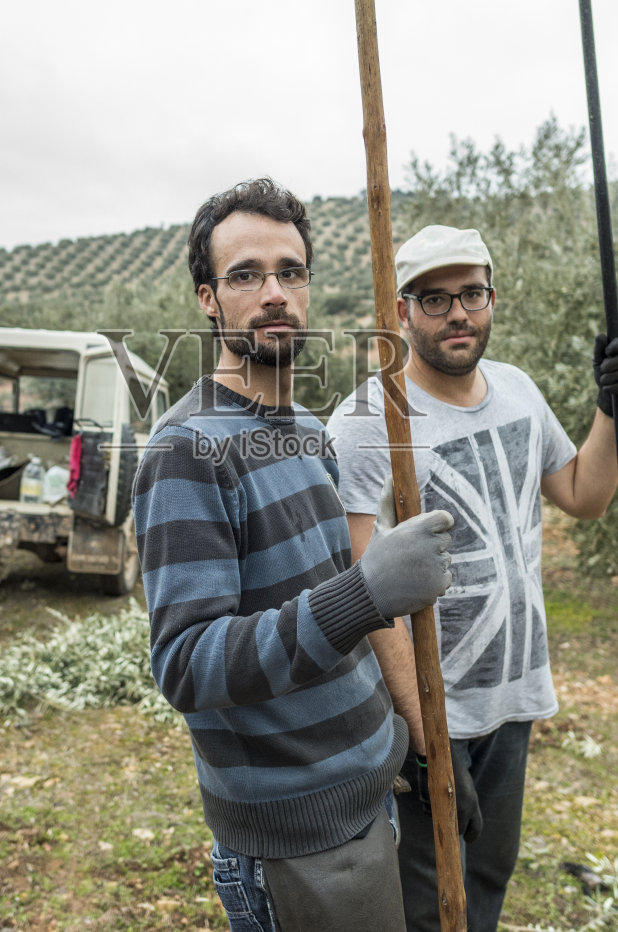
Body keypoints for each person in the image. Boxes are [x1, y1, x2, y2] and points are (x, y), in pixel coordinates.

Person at [133, 178, 460, 931]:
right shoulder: (188, 453)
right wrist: (365, 593)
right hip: (292, 834)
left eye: (291, 271)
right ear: (209, 299)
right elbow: (186, 665)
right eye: (246, 275)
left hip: (369, 795)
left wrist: (409, 741)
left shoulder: (305, 430)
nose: (274, 292)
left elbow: (341, 599)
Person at [325, 225, 618, 931]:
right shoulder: (366, 421)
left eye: (471, 294)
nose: (458, 314)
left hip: (514, 694)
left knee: (488, 883)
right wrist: (429, 740)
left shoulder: (518, 393)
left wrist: (612, 409)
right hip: (428, 711)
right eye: (434, 300)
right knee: (429, 902)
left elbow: (584, 496)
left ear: (493, 298)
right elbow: (358, 592)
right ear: (403, 313)